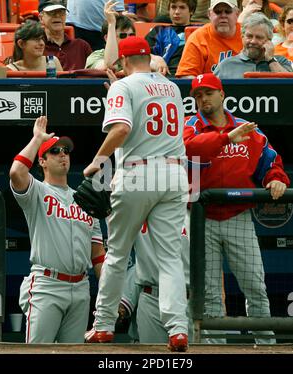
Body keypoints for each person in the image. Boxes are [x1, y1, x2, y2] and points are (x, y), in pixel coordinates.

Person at [83, 36, 190, 352]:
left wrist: (97, 162)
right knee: (170, 257)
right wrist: (123, 88)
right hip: (173, 173)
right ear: (147, 57)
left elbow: (121, 129)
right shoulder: (172, 88)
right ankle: (178, 330)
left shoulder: (123, 87)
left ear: (124, 61)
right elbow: (143, 97)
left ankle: (103, 325)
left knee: (117, 253)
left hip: (138, 173)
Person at [184, 73, 290, 344]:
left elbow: (270, 161)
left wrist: (275, 178)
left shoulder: (247, 129)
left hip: (238, 217)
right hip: (200, 219)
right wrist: (226, 138)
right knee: (208, 294)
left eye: (208, 93)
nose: (203, 99)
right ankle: (213, 350)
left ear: (222, 95)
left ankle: (266, 346)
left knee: (255, 287)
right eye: (197, 95)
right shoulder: (191, 126)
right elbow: (186, 149)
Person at [9, 116, 106, 343]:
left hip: (81, 287)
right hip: (47, 285)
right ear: (42, 161)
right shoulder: (38, 192)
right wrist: (37, 140)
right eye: (55, 151)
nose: (63, 154)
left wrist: (107, 297)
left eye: (66, 150)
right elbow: (16, 173)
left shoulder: (84, 198)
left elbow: (98, 253)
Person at [85, 1, 169, 75]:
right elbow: (110, 65)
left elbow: (155, 66)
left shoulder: (140, 56)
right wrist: (111, 24)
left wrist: (158, 59)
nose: (128, 39)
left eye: (132, 35)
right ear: (107, 38)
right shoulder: (96, 56)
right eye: (123, 36)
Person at [176, 0, 243, 78]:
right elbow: (186, 76)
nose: (223, 15)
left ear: (237, 14)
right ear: (209, 14)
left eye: (228, 11)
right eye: (218, 12)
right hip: (208, 89)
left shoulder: (249, 34)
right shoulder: (198, 38)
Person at [214, 12, 293, 78]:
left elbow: (291, 89)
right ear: (242, 37)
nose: (253, 41)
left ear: (269, 40)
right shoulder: (226, 65)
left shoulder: (281, 62)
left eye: (259, 37)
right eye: (249, 36)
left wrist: (271, 60)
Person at [145, 0, 196, 76]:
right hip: (165, 75)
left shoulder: (199, 31)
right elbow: (142, 53)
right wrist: (156, 58)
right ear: (169, 10)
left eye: (182, 7)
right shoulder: (159, 30)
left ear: (191, 11)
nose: (177, 12)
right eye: (173, 7)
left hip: (194, 75)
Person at [39, 0, 92, 70]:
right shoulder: (37, 47)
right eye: (51, 13)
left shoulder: (82, 46)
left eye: (61, 13)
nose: (57, 15)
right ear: (41, 18)